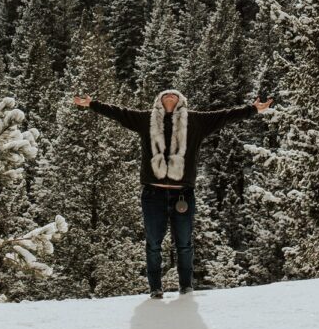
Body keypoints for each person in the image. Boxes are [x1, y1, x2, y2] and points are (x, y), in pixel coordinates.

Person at [73, 88, 273, 298]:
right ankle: (155, 289)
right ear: (158, 101)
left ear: (181, 102)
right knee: (153, 243)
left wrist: (253, 109)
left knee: (184, 243)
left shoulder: (195, 121)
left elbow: (224, 116)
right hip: (153, 194)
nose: (170, 96)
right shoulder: (146, 120)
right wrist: (92, 104)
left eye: (174, 95)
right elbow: (119, 112)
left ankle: (186, 287)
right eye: (165, 95)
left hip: (183, 194)